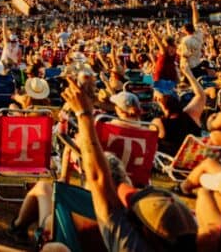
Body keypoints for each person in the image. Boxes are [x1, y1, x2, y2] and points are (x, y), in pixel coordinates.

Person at [61, 76, 198, 251]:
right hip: (138, 177)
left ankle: (63, 183)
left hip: (112, 172)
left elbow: (98, 176)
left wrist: (83, 114)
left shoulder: (107, 126)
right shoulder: (148, 130)